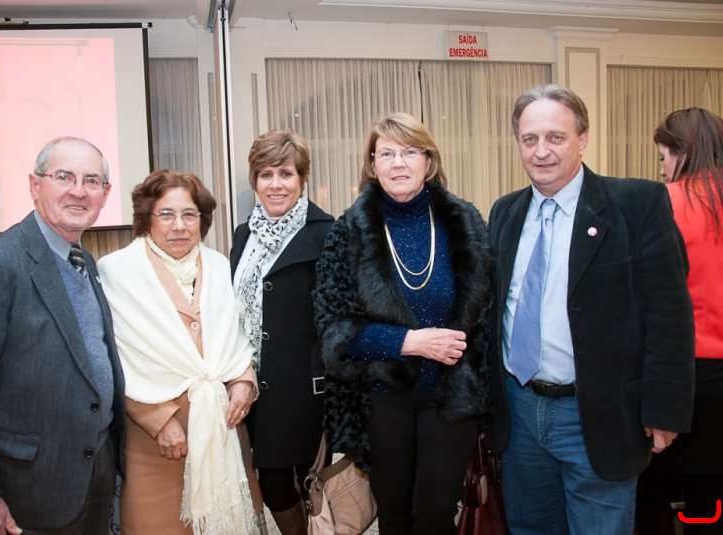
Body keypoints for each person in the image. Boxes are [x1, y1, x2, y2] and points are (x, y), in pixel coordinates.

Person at [486, 84, 695, 534]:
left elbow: (670, 317)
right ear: (517, 143)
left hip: (599, 414)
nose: (541, 151)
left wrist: (664, 410)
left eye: (555, 137)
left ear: (582, 139)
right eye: (529, 139)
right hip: (520, 413)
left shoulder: (636, 205)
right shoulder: (504, 212)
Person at [0, 136, 125, 535]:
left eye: (91, 181)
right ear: (35, 186)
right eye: (64, 177)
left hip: (93, 474)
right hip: (24, 490)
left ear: (105, 195)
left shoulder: (84, 261)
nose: (78, 191)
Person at [314, 112, 492, 534]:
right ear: (372, 164)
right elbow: (334, 329)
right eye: (386, 153)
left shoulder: (464, 222)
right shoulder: (348, 231)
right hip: (381, 400)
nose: (398, 163)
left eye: (410, 152)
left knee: (436, 517)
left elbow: (487, 318)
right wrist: (410, 342)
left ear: (428, 161)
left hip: (451, 396)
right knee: (394, 519)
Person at [97, 169, 257, 535]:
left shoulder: (219, 265)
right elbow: (111, 357)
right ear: (147, 218)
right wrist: (157, 420)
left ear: (203, 220)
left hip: (222, 430)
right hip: (156, 443)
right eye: (166, 214)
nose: (179, 226)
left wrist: (244, 381)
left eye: (189, 214)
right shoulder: (118, 272)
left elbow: (238, 337)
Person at [230, 130, 334, 534]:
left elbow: (339, 317)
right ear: (254, 180)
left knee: (303, 484)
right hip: (252, 384)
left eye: (286, 174)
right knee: (272, 484)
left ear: (302, 179)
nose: (276, 184)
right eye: (266, 174)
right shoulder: (244, 234)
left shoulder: (327, 234)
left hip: (303, 387)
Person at [635, 108, 723, 534]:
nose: (662, 169)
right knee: (711, 499)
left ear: (681, 153)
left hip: (673, 374)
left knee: (651, 491)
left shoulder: (661, 204)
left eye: (663, 157)